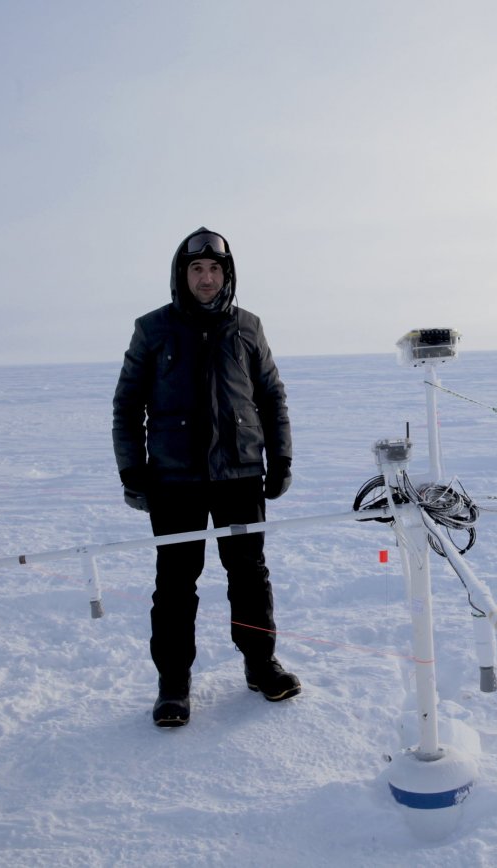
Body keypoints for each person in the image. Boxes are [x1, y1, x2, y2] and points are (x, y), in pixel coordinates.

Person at [112, 227, 299, 728]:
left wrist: (279, 460)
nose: (207, 278)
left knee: (248, 573)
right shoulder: (153, 329)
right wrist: (133, 470)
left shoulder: (248, 327)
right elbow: (128, 404)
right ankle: (173, 682)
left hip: (239, 474)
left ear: (227, 273)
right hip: (174, 481)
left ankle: (261, 664)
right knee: (175, 582)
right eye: (197, 269)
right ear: (182, 274)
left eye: (215, 269)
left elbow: (272, 397)